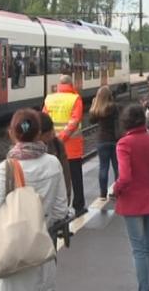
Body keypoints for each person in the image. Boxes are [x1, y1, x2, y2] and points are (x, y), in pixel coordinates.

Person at [0, 109, 69, 291]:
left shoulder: (6, 169)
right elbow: (60, 212)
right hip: (40, 257)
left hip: (9, 264)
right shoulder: (53, 163)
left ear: (11, 133)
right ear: (38, 133)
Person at [113, 105, 149, 291]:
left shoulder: (124, 144)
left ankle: (144, 288)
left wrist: (116, 189)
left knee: (138, 250)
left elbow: (125, 177)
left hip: (133, 200)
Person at [43, 74, 86, 216]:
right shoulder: (75, 99)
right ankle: (79, 206)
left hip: (53, 148)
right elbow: (75, 120)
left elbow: (44, 120)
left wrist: (53, 139)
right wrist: (62, 137)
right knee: (75, 178)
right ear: (71, 84)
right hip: (71, 147)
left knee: (56, 179)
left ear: (59, 85)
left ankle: (56, 210)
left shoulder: (49, 99)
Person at [89, 86, 120, 200]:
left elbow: (92, 120)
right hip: (114, 140)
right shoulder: (114, 107)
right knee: (117, 167)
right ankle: (117, 192)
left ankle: (102, 194)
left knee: (103, 167)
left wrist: (94, 105)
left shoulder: (97, 108)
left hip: (102, 140)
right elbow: (118, 121)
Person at [39, 112, 72, 206]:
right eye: (48, 134)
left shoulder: (57, 144)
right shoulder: (24, 155)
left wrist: (66, 201)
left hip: (55, 206)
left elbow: (66, 176)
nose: (52, 134)